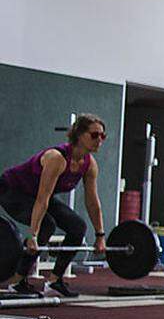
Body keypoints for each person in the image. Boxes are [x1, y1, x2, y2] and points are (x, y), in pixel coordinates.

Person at [0, 114, 109, 297]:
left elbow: (92, 202)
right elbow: (43, 199)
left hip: (36, 195)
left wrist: (100, 235)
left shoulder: (89, 165)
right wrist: (33, 235)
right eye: (94, 135)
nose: (99, 140)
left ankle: (54, 281)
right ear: (80, 134)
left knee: (77, 227)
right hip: (11, 190)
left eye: (102, 136)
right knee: (46, 225)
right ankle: (17, 281)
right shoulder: (56, 158)